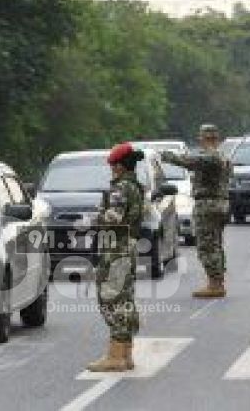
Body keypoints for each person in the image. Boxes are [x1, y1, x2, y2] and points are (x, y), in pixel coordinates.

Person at [86, 142, 143, 372]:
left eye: (112, 166)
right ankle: (126, 353)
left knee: (111, 299)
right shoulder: (136, 186)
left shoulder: (120, 188)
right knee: (124, 298)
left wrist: (94, 218)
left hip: (116, 248)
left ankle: (116, 356)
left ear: (119, 166)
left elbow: (114, 217)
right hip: (128, 245)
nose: (111, 170)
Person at [161, 124, 232, 298]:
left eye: (201, 137)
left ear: (205, 138)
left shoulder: (212, 156)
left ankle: (215, 284)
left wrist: (169, 157)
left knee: (206, 246)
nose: (199, 140)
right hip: (218, 204)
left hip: (209, 205)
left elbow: (191, 162)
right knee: (215, 244)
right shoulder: (223, 156)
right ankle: (216, 281)